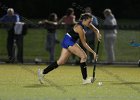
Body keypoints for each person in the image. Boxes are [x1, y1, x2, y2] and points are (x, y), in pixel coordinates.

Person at [38, 13, 101, 84]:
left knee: (61, 61)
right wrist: (93, 53)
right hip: (69, 41)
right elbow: (84, 43)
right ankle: (85, 79)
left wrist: (98, 33)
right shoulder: (80, 28)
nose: (90, 23)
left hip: (67, 39)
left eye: (91, 21)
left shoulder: (86, 23)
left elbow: (95, 29)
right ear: (84, 20)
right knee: (84, 56)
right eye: (89, 21)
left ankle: (42, 73)